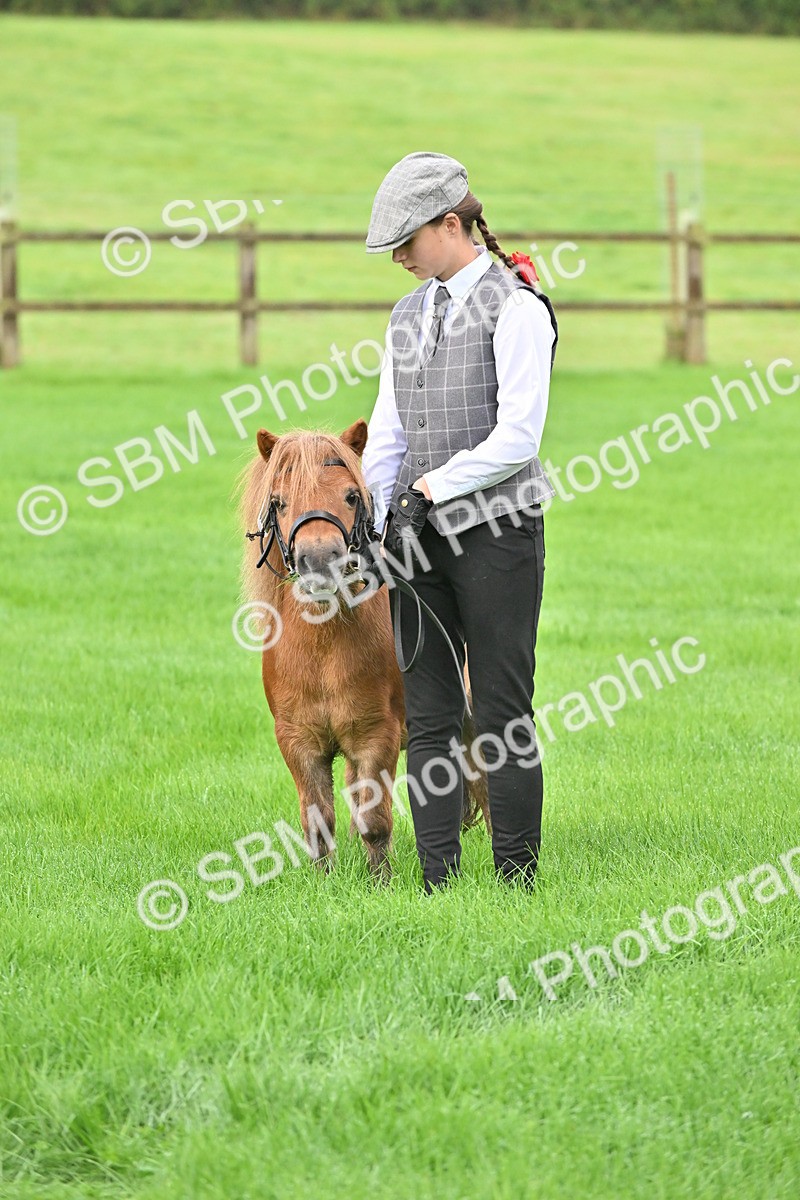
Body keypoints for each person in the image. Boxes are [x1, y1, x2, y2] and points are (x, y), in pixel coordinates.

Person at [361, 151, 558, 894]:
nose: (400, 259)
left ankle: (517, 884)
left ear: (452, 224)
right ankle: (436, 884)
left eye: (408, 241)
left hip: (498, 537)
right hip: (416, 538)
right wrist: (382, 517)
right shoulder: (407, 313)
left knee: (501, 709)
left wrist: (430, 491)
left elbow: (519, 436)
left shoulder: (517, 307)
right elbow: (388, 432)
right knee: (433, 715)